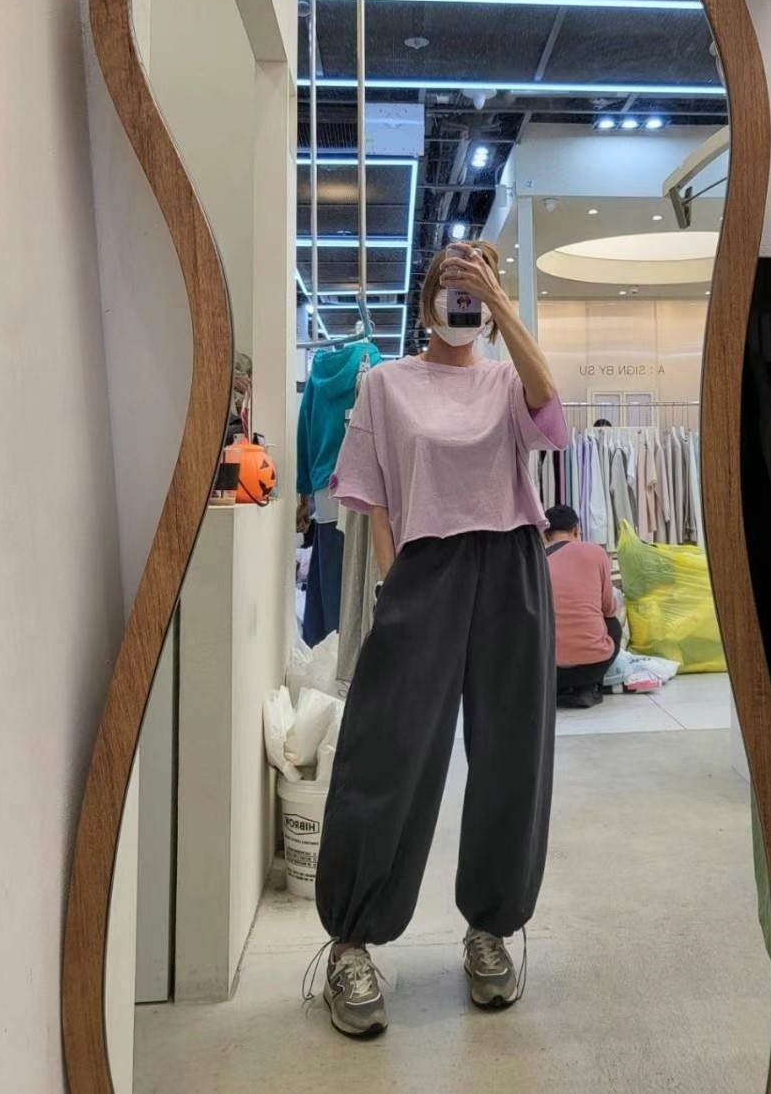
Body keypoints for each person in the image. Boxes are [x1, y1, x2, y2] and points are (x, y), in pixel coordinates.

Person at [314, 239, 567, 1037]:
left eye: (474, 291)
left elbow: (552, 413)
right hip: (425, 568)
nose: (460, 303)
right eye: (451, 287)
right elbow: (373, 499)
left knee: (511, 756)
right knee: (387, 750)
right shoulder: (385, 383)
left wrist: (502, 305)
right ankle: (350, 940)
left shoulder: (505, 380)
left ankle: (490, 929)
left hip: (511, 565)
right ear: (426, 299)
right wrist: (398, 585)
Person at [543, 505, 622, 709]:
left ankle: (558, 690)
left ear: (546, 534)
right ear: (576, 530)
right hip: (593, 666)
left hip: (546, 670)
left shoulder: (535, 560)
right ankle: (586, 687)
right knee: (613, 624)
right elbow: (608, 608)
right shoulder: (596, 553)